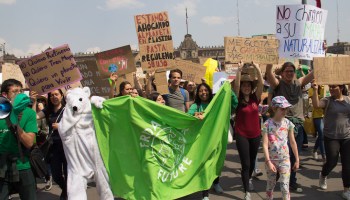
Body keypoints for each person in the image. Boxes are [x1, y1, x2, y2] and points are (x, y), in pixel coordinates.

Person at [266, 62, 314, 193]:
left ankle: (292, 181)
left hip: (297, 124)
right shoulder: (278, 84)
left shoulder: (299, 83)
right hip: (282, 125)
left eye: (291, 71)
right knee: (280, 154)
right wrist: (270, 62)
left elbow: (312, 74)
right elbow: (269, 74)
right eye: (287, 71)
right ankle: (276, 175)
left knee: (293, 154)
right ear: (282, 73)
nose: (289, 73)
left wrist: (320, 56)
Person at [188, 83, 238, 200]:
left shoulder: (216, 104)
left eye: (205, 90)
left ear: (210, 92)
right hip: (202, 142)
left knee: (216, 163)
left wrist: (229, 90)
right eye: (201, 91)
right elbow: (189, 115)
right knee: (205, 166)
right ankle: (205, 193)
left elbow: (234, 104)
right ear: (197, 93)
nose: (203, 92)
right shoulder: (196, 105)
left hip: (216, 138)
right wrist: (195, 115)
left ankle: (216, 183)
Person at [0, 79, 38, 200]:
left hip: (23, 166)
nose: (19, 94)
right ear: (5, 95)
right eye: (15, 92)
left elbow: (29, 143)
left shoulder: (29, 114)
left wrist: (15, 123)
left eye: (20, 91)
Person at [311, 83, 350, 200]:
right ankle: (323, 174)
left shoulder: (348, 100)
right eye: (330, 87)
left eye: (334, 87)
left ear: (341, 88)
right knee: (332, 161)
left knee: (347, 165)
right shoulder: (327, 100)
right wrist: (315, 89)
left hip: (347, 137)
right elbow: (316, 105)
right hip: (331, 137)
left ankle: (347, 189)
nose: (331, 89)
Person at [233, 62, 264, 200]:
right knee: (245, 163)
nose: (246, 87)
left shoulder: (255, 99)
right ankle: (247, 191)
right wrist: (239, 71)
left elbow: (261, 84)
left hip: (256, 134)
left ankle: (248, 178)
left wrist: (257, 68)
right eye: (244, 85)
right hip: (242, 135)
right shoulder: (237, 99)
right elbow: (236, 86)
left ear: (251, 87)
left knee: (251, 162)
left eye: (248, 85)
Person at [31, 89, 67, 200]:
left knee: (69, 173)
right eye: (51, 95)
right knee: (56, 174)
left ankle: (66, 194)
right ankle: (66, 189)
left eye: (56, 94)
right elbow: (34, 117)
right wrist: (34, 102)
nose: (54, 97)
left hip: (67, 146)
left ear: (61, 96)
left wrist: (61, 126)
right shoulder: (48, 110)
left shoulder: (68, 109)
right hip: (54, 146)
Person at [262, 96, 300, 200]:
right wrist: (268, 161)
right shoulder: (267, 124)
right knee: (271, 185)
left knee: (284, 186)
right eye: (282, 109)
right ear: (274, 109)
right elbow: (265, 144)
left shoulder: (288, 123)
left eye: (286, 108)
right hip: (272, 160)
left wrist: (297, 159)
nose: (285, 111)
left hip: (285, 159)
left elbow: (293, 142)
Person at [34, 96, 52, 191]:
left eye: (41, 101)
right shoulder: (32, 112)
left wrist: (38, 131)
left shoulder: (45, 114)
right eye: (38, 100)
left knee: (45, 161)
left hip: (43, 142)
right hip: (33, 143)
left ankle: (48, 178)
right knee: (33, 163)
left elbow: (46, 130)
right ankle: (33, 185)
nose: (39, 103)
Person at [309, 84, 326, 162]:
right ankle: (324, 157)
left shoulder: (325, 87)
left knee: (322, 135)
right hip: (317, 115)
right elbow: (315, 103)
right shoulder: (311, 89)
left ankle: (314, 150)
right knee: (321, 134)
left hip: (327, 114)